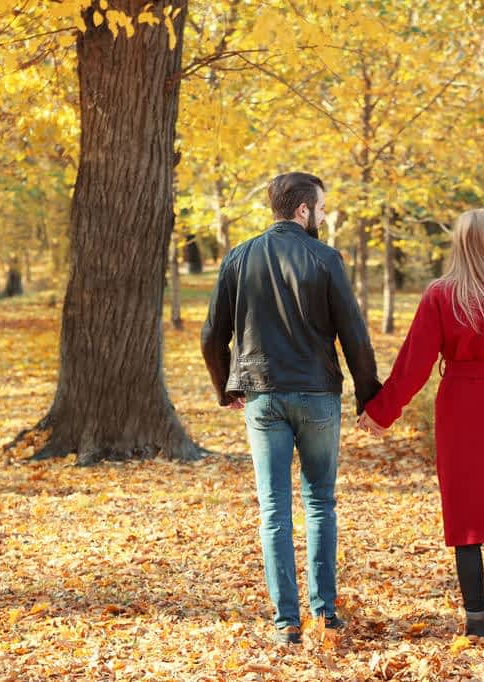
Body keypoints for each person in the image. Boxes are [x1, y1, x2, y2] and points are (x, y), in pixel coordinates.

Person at [201, 172, 381, 645]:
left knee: (274, 509)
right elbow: (354, 335)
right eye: (321, 208)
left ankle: (286, 623)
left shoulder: (237, 258)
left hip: (261, 395)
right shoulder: (325, 258)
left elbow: (210, 336)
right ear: (303, 210)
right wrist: (369, 397)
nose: (323, 216)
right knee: (320, 502)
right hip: (318, 394)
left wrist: (226, 387)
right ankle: (325, 614)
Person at [357, 208, 484, 638]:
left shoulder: (441, 296)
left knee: (464, 514)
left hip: (459, 408)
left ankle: (476, 621)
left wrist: (381, 411)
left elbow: (414, 365)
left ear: (461, 243)